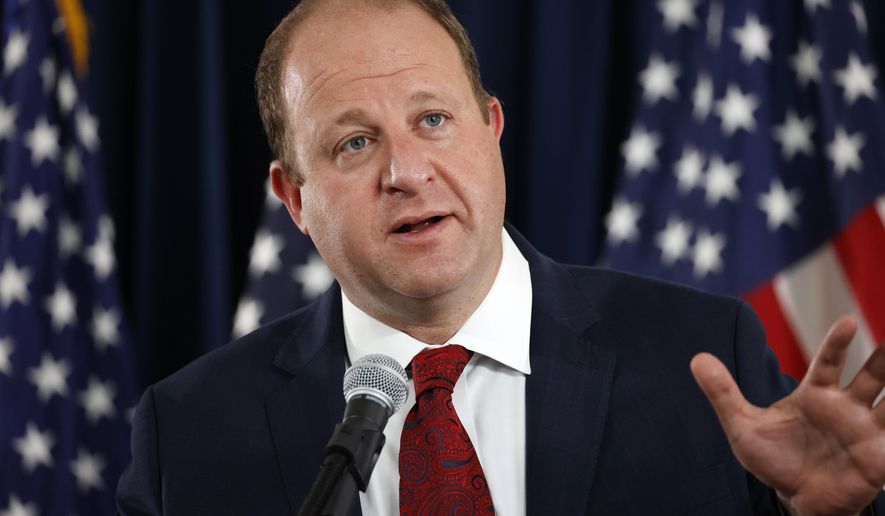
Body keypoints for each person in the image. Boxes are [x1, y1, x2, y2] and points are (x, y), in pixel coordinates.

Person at [117, 0, 885, 514]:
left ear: (490, 129)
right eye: (355, 142)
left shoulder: (702, 353)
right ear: (294, 199)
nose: (406, 172)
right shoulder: (188, 435)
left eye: (433, 119)